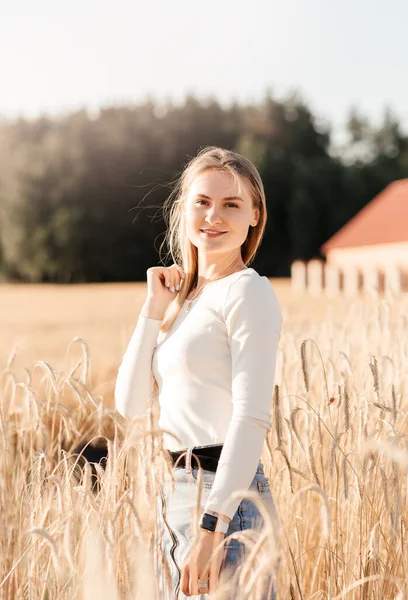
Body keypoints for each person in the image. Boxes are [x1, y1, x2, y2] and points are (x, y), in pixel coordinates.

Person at [114, 146, 282, 599]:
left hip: (226, 505)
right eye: (202, 202)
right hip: (177, 497)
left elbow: (251, 418)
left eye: (231, 205)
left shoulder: (247, 293)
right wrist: (152, 312)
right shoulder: (182, 302)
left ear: (253, 216)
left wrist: (213, 525)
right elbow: (129, 405)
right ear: (183, 207)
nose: (214, 216)